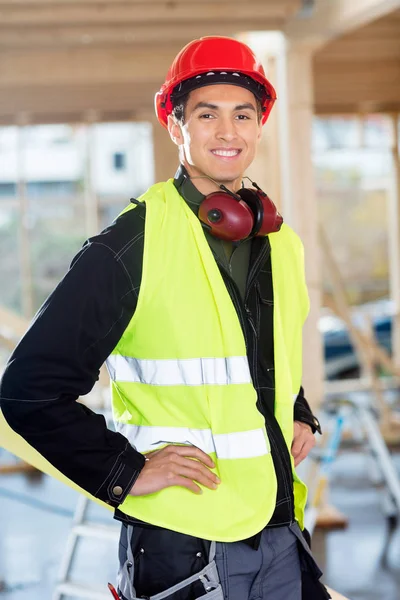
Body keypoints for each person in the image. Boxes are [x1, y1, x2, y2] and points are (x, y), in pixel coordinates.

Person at [0, 36, 328, 600]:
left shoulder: (281, 242)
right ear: (176, 126)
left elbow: (258, 352)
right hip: (185, 543)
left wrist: (295, 407)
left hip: (279, 527)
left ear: (259, 124)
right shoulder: (131, 244)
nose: (228, 132)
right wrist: (123, 472)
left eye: (242, 114)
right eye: (207, 114)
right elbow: (28, 393)